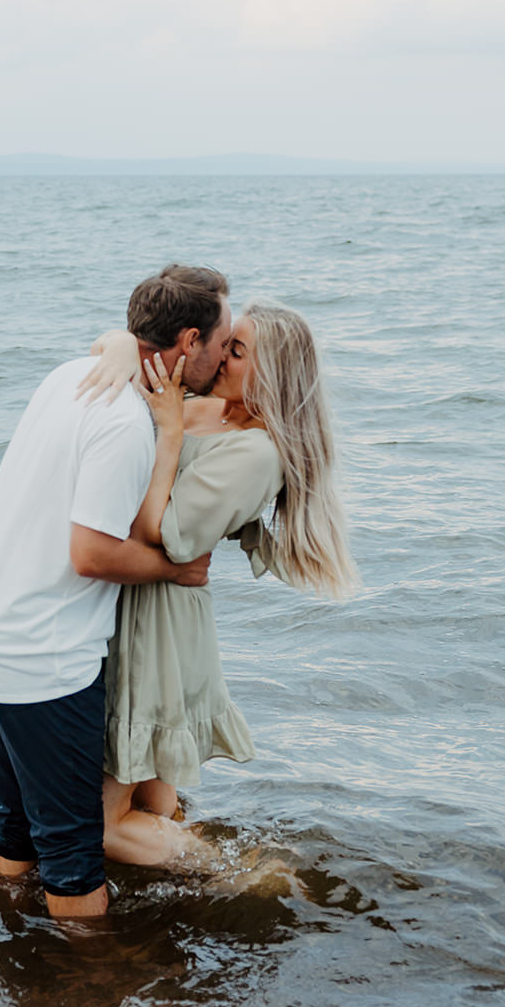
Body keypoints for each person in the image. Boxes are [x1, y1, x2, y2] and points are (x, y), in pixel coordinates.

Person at [0, 265, 235, 919]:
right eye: (219, 346)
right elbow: (92, 553)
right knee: (74, 860)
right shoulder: (125, 423)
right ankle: (86, 1000)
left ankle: (10, 943)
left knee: (16, 826)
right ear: (188, 340)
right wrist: (175, 570)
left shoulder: (67, 376)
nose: (222, 359)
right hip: (41, 660)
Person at [83, 301, 358, 872]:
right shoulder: (214, 409)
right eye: (225, 344)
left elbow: (165, 533)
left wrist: (169, 431)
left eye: (236, 350)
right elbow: (134, 352)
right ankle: (179, 896)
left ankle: (242, 873)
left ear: (273, 371)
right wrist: (115, 344)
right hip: (141, 604)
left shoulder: (258, 452)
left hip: (158, 628)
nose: (220, 357)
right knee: (149, 790)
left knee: (98, 821)